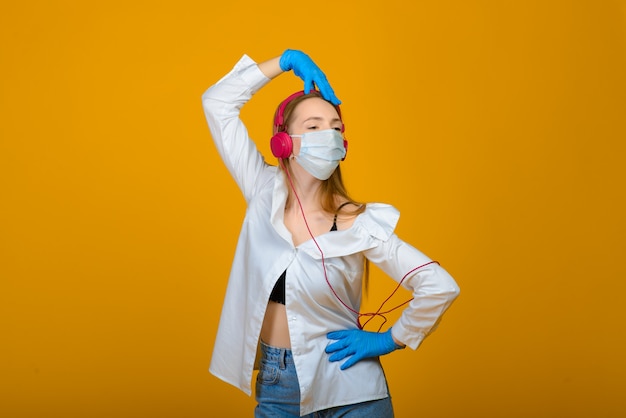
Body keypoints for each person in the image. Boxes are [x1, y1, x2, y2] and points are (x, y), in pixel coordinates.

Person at [201, 49, 460, 417]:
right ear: (283, 142)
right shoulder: (262, 190)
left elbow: (439, 284)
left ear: (343, 147)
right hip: (278, 386)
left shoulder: (358, 221)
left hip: (351, 389)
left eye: (336, 127)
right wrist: (284, 62)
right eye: (314, 126)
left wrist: (390, 339)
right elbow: (217, 103)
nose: (329, 134)